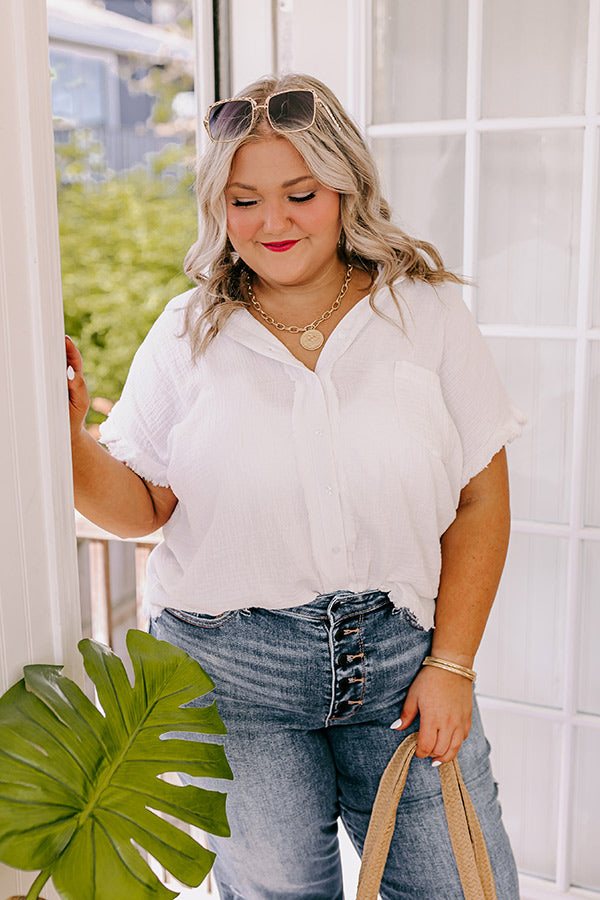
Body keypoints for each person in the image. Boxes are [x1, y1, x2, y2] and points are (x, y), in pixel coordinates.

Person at [66, 73, 524, 900]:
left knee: (462, 885)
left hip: (400, 662)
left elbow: (482, 500)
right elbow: (139, 509)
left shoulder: (425, 316)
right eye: (244, 201)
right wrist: (63, 442)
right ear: (219, 208)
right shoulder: (186, 332)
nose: (271, 222)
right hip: (231, 674)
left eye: (299, 194)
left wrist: (451, 664)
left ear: (346, 187)